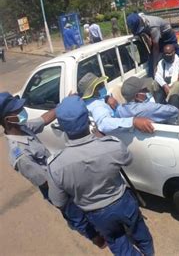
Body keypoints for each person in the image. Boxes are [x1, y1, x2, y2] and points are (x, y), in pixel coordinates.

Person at [47, 96, 154, 256]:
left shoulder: (55, 165)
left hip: (96, 213)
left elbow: (59, 201)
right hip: (123, 202)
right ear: (88, 120)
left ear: (62, 126)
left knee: (117, 242)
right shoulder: (111, 145)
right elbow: (128, 160)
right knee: (140, 231)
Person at [0, 92, 105, 249]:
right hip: (55, 188)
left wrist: (64, 104)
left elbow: (45, 119)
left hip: (59, 177)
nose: (22, 111)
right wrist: (71, 183)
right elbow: (46, 183)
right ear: (8, 119)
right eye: (18, 110)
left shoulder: (22, 128)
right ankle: (97, 239)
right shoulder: (20, 156)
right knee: (75, 215)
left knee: (84, 207)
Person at [78, 72, 154, 134]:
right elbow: (104, 124)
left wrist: (106, 98)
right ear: (93, 90)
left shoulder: (90, 102)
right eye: (99, 85)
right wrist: (132, 121)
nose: (102, 86)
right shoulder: (97, 106)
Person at [127, 12, 177, 77]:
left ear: (141, 22)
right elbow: (145, 37)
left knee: (169, 55)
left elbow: (155, 47)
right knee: (152, 59)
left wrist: (155, 65)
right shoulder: (136, 19)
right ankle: (153, 78)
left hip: (167, 36)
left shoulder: (153, 26)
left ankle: (171, 76)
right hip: (155, 35)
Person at [154, 44, 179, 109]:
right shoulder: (161, 62)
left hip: (174, 88)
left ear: (174, 52)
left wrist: (170, 87)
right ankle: (155, 103)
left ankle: (167, 103)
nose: (167, 55)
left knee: (178, 84)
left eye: (169, 53)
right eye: (165, 53)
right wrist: (164, 85)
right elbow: (157, 75)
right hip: (164, 87)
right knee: (154, 83)